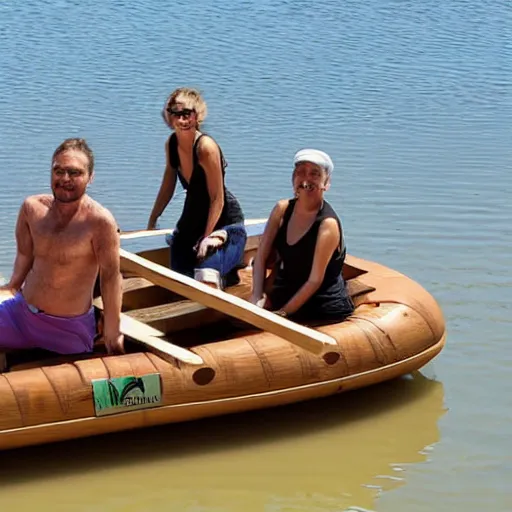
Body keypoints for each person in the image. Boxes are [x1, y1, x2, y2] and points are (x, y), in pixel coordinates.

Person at [0, 138, 124, 360]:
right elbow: (25, 254)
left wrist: (113, 329)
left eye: (75, 173)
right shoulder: (32, 208)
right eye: (59, 171)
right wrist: (12, 286)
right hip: (21, 314)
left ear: (90, 177)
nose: (65, 179)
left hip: (68, 329)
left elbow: (110, 276)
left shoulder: (100, 221)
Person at [147, 87, 246, 289]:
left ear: (197, 115)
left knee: (204, 275)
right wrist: (153, 219)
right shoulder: (172, 144)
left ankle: (227, 272)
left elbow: (217, 198)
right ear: (169, 116)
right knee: (178, 278)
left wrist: (206, 238)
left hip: (224, 224)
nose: (181, 120)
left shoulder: (205, 146)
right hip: (192, 223)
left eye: (187, 114)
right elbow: (168, 184)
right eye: (176, 113)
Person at [250, 149, 354, 323]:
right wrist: (257, 295)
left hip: (321, 306)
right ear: (293, 179)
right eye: (300, 173)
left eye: (315, 174)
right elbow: (260, 257)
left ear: (326, 183)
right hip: (286, 294)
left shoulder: (327, 224)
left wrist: (283, 314)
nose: (306, 180)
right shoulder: (281, 209)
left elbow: (314, 281)